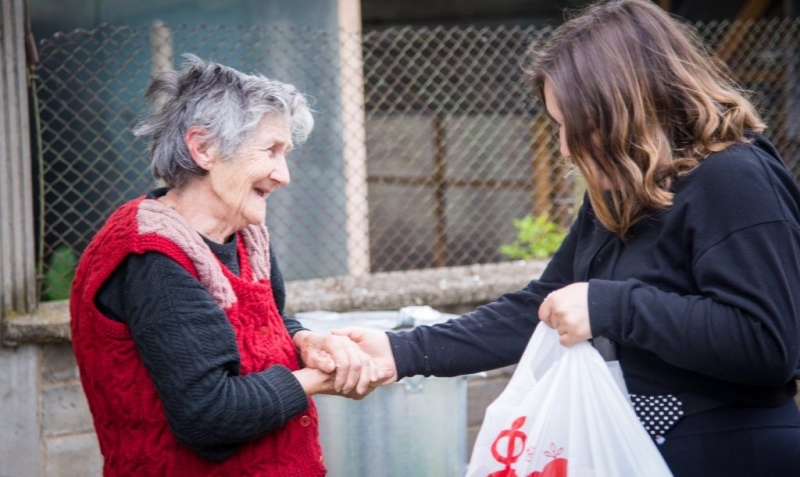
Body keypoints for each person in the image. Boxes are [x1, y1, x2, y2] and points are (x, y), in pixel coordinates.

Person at [338, 1, 800, 475]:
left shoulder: (735, 178)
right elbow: (542, 307)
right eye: (558, 127)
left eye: (574, 127)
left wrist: (612, 307)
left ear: (625, 109)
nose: (563, 147)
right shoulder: (625, 188)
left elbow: (770, 344)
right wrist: (402, 351)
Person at [70, 55, 380, 476]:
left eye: (285, 153)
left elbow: (268, 324)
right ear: (204, 149)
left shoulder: (245, 235)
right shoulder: (151, 257)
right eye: (271, 150)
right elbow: (209, 414)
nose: (284, 175)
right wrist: (321, 378)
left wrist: (307, 342)